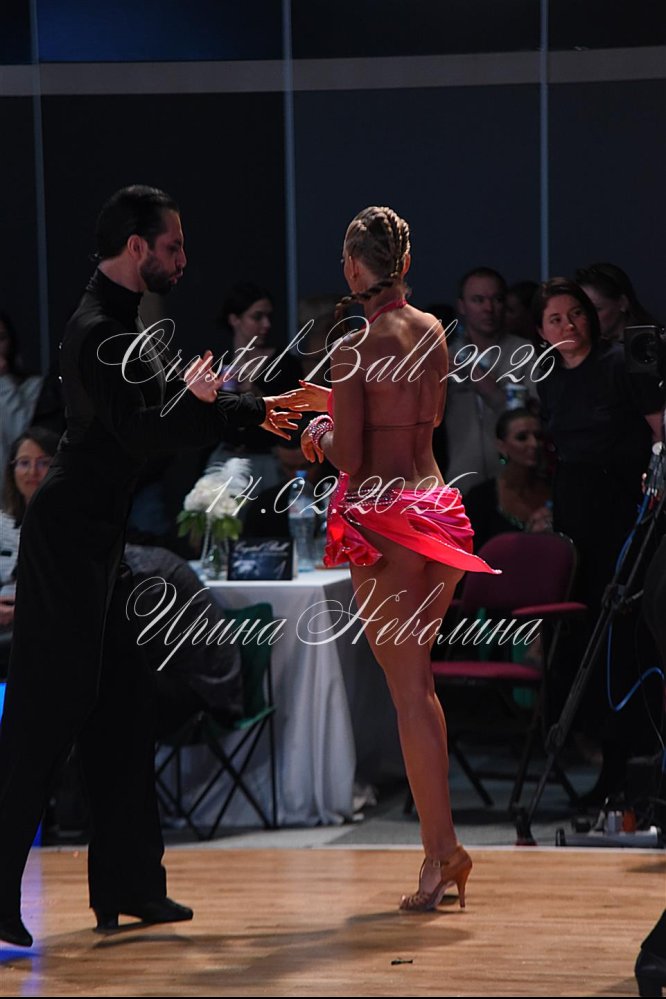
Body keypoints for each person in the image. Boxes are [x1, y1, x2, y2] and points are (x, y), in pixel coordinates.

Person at [0, 185, 299, 948]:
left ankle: (129, 884)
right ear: (137, 248)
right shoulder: (101, 330)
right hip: (68, 538)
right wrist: (205, 402)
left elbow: (162, 420)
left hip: (98, 536)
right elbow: (144, 432)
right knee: (45, 713)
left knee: (124, 702)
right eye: (173, 246)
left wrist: (230, 402)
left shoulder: (123, 326)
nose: (183, 259)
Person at [285, 206, 498, 912]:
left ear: (353, 267)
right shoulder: (433, 329)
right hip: (438, 512)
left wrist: (317, 432)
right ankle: (443, 850)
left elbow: (350, 452)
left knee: (410, 696)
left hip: (386, 525)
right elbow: (418, 418)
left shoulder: (353, 347)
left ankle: (442, 855)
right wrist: (339, 405)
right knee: (421, 690)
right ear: (403, 262)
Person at [534, 278, 664, 802]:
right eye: (556, 319)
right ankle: (599, 761)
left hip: (623, 512)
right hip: (574, 517)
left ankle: (628, 767)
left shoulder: (618, 365)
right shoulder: (548, 378)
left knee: (620, 641)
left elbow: (659, 432)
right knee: (581, 637)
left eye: (577, 313)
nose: (569, 325)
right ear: (541, 331)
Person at [444, 267, 536, 494]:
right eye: (478, 300)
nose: (488, 308)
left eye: (497, 299)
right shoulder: (446, 357)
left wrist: (491, 391)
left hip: (516, 485)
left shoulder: (525, 353)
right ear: (462, 306)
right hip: (460, 484)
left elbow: (536, 419)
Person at [205, 282, 304, 491]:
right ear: (235, 319)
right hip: (225, 459)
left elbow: (294, 419)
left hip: (267, 461)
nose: (266, 324)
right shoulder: (218, 363)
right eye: (257, 317)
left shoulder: (285, 364)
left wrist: (256, 394)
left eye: (268, 316)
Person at [464, 407, 551, 552]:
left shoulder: (556, 489)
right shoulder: (481, 497)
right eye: (522, 437)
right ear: (501, 446)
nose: (534, 444)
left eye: (538, 436)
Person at [0, 312, 44, 497]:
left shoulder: (31, 387)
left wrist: (3, 381)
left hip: (14, 501)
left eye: (0, 338)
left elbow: (23, 442)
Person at [575, 261, 656, 343]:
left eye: (595, 309)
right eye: (579, 311)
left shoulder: (651, 344)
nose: (586, 318)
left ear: (623, 303)